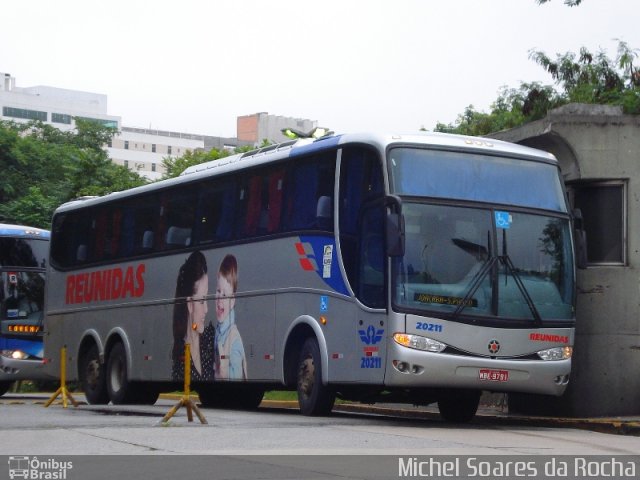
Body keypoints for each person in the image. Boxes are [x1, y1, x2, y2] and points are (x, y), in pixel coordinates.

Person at [172, 250, 214, 381]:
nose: (206, 309)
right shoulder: (180, 356)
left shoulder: (210, 338)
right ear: (189, 304)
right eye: (202, 301)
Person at [214, 254, 247, 380]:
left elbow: (237, 376)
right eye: (218, 291)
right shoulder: (219, 330)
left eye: (225, 295)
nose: (220, 299)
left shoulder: (234, 339)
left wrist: (222, 373)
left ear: (232, 301)